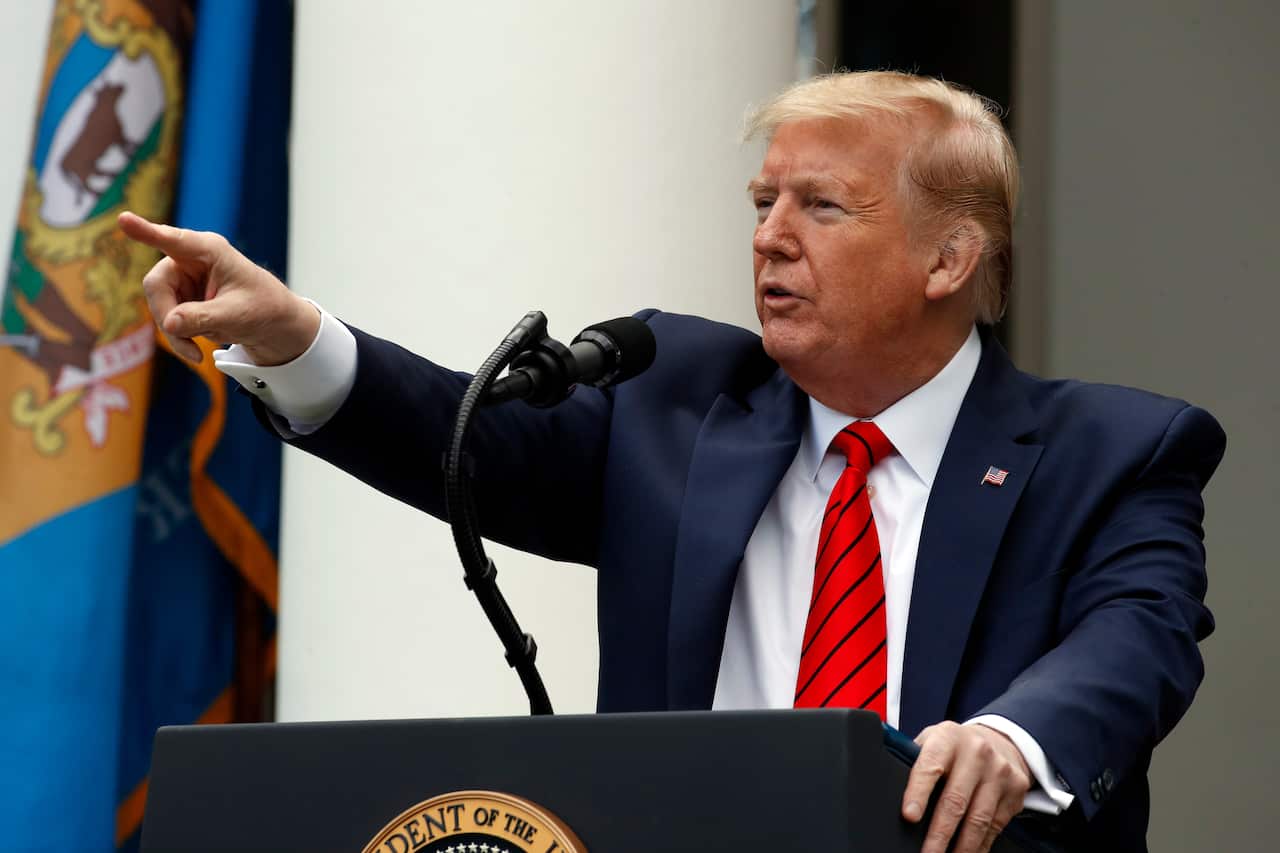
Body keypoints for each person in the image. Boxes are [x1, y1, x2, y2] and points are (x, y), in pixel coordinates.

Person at [120, 71, 1223, 853]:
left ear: (948, 257)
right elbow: (458, 437)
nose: (768, 235)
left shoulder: (1110, 450)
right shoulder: (680, 401)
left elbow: (1135, 641)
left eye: (820, 207)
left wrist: (1006, 738)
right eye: (761, 203)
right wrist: (286, 335)